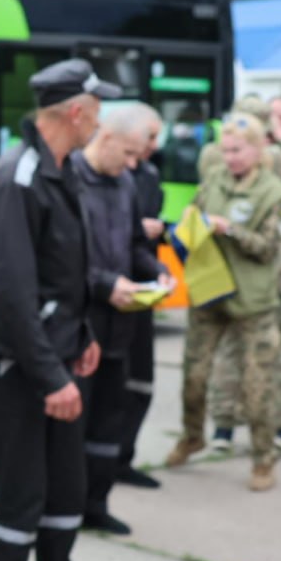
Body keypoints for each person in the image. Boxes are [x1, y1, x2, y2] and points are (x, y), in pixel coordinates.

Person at [0, 58, 130, 561]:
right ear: (76, 111)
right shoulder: (18, 175)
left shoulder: (62, 171)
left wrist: (85, 333)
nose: (102, 117)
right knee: (23, 493)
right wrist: (48, 375)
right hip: (28, 368)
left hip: (64, 359)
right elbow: (13, 290)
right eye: (98, 107)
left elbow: (62, 274)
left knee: (66, 488)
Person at [166, 113, 281, 491]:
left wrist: (230, 230)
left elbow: (269, 248)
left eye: (237, 150)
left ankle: (263, 459)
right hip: (210, 292)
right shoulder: (214, 180)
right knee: (194, 376)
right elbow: (194, 211)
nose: (231, 158)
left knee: (257, 387)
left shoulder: (275, 192)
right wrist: (187, 223)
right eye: (225, 150)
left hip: (253, 301)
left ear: (257, 150)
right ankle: (193, 435)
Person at [69, 107, 169, 536]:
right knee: (75, 427)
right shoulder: (70, 180)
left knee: (109, 422)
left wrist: (154, 271)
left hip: (120, 326)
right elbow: (65, 260)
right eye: (128, 153)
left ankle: (97, 504)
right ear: (105, 136)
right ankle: (66, 510)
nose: (133, 164)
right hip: (82, 327)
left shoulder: (124, 182)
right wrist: (108, 284)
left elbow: (132, 244)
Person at [198, 96, 281, 457]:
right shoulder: (274, 155)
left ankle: (224, 427)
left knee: (228, 344)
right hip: (276, 262)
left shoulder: (213, 154)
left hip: (225, 262)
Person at [116, 102, 167, 489]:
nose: (151, 146)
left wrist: (159, 265)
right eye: (147, 137)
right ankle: (103, 463)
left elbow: (137, 239)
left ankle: (123, 458)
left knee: (141, 382)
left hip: (142, 291)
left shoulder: (149, 174)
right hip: (114, 293)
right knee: (113, 385)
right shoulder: (108, 175)